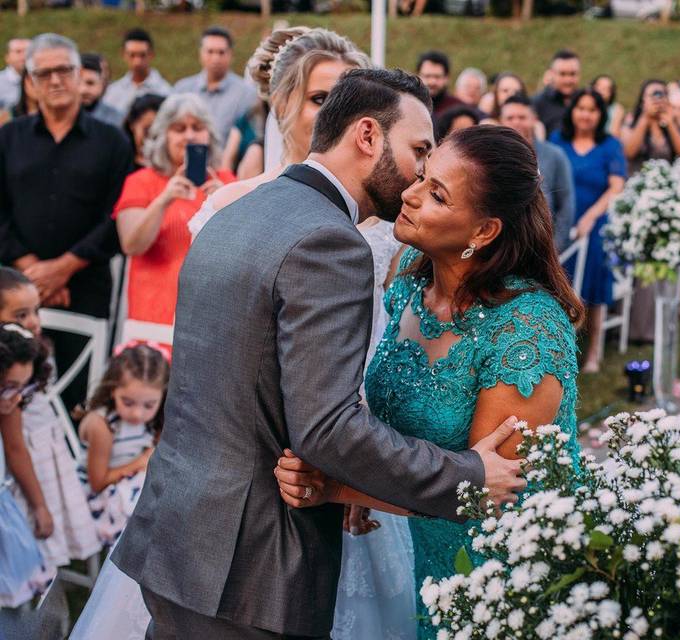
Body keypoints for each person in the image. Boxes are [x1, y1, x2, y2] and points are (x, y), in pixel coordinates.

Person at [113, 67, 527, 639]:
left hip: (174, 537)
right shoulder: (330, 242)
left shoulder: (238, 213)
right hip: (248, 567)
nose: (418, 176)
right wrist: (467, 474)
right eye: (418, 151)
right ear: (366, 136)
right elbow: (326, 429)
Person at [276, 124, 584, 640]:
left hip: (513, 572)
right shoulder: (408, 284)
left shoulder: (527, 327)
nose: (411, 195)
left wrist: (340, 485)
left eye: (436, 194)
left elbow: (492, 489)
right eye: (421, 177)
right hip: (436, 555)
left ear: (484, 231)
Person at [187, 29, 421, 640]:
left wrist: (357, 478)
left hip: (331, 464)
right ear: (285, 104)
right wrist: (470, 483)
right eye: (324, 98)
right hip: (266, 495)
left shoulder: (388, 224)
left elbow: (384, 346)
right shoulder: (249, 212)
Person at [0, 33, 133, 413]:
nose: (55, 80)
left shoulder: (112, 142)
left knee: (78, 397)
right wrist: (32, 275)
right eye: (44, 73)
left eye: (63, 70)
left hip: (84, 287)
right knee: (12, 396)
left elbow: (115, 216)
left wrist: (61, 270)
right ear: (30, 82)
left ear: (79, 75)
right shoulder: (8, 139)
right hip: (15, 294)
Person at [189, 26, 370, 236]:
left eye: (349, 101)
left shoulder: (381, 218)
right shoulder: (230, 205)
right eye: (319, 99)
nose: (335, 114)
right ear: (280, 104)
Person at [0, 269, 100, 590]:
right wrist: (40, 505)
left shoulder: (26, 355)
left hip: (45, 456)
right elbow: (15, 449)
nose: (33, 321)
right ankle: (32, 584)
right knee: (34, 527)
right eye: (21, 314)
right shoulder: (9, 374)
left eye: (35, 311)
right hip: (26, 469)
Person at [114, 94, 232, 329]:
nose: (189, 135)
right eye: (179, 128)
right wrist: (163, 200)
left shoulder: (227, 182)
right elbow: (132, 245)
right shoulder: (141, 182)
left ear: (209, 135)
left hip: (208, 317)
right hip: (153, 316)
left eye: (197, 127)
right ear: (164, 136)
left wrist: (229, 204)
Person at [549, 88, 626, 373]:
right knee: (558, 280)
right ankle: (560, 345)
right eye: (581, 108)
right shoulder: (558, 141)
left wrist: (592, 217)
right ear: (573, 111)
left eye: (592, 110)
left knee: (594, 279)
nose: (586, 114)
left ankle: (593, 350)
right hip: (561, 220)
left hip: (595, 222)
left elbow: (616, 185)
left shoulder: (610, 146)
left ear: (600, 115)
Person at [77, 343, 168, 546]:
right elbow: (97, 483)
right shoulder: (103, 425)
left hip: (126, 490)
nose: (137, 413)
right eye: (128, 402)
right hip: (94, 501)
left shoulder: (154, 422)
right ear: (112, 390)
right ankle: (125, 570)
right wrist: (140, 463)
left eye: (149, 405)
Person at [0, 324, 50, 610]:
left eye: (24, 387)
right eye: (8, 387)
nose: (17, 397)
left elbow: (17, 451)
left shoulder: (7, 409)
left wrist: (39, 507)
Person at [500, 93, 574, 252]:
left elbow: (567, 204)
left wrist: (555, 247)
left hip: (543, 246)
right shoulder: (491, 156)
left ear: (534, 119)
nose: (516, 122)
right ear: (501, 121)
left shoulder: (555, 155)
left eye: (522, 117)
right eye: (510, 118)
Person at [172, 26, 258, 145]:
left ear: (231, 54)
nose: (215, 58)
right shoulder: (182, 90)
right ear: (200, 53)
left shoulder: (247, 94)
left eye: (221, 52)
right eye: (210, 51)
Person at [102, 29, 172, 118]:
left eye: (142, 55)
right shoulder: (113, 92)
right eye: (132, 55)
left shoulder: (165, 92)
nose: (137, 62)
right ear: (123, 55)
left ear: (151, 55)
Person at [621, 78, 680, 171]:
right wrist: (645, 117)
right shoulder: (631, 122)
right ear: (643, 100)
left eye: (661, 94)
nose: (657, 99)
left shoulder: (671, 123)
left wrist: (670, 124)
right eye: (653, 95)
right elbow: (629, 153)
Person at [479, 72, 547, 140]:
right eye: (505, 91)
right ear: (496, 94)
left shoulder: (535, 126)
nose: (511, 94)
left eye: (517, 91)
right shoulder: (487, 124)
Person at [532, 49, 581, 135]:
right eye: (562, 74)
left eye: (572, 74)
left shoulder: (585, 101)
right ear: (552, 74)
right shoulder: (536, 103)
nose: (568, 80)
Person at [79, 53, 124, 128]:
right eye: (78, 82)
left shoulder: (117, 119)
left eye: (90, 83)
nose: (83, 89)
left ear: (101, 84)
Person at [122, 93, 165, 169]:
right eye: (147, 130)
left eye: (160, 131)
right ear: (132, 125)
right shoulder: (118, 163)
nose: (153, 139)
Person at [416, 50, 463, 121]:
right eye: (427, 76)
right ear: (418, 76)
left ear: (447, 78)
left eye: (437, 76)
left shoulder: (458, 108)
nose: (432, 82)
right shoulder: (409, 105)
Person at [0, 38, 30, 110]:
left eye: (28, 51)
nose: (24, 55)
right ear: (7, 57)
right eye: (18, 51)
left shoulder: (41, 80)